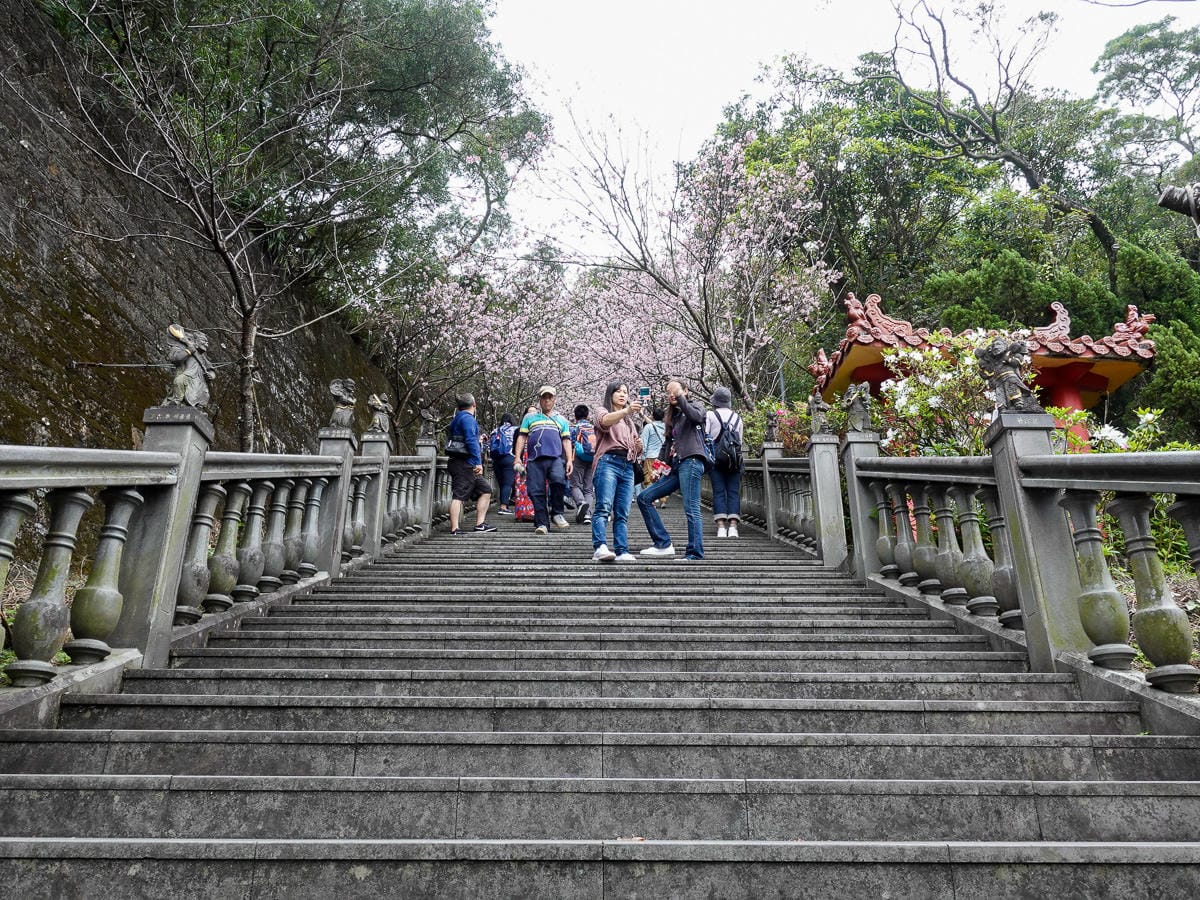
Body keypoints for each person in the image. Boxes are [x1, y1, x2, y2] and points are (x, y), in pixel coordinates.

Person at [636, 379, 707, 561]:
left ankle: (694, 553)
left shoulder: (695, 407)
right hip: (676, 466)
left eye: (675, 391)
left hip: (691, 461)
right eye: (669, 392)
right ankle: (663, 543)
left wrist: (680, 396)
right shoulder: (672, 417)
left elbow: (696, 417)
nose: (672, 395)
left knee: (691, 508)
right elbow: (667, 444)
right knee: (644, 497)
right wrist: (658, 466)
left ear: (685, 391)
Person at [589, 381, 643, 562]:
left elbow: (635, 448)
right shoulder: (602, 411)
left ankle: (622, 549)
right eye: (618, 391)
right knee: (603, 506)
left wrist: (638, 446)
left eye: (626, 392)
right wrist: (626, 410)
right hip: (608, 462)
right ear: (610, 394)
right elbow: (604, 422)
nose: (623, 394)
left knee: (622, 511)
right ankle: (600, 546)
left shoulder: (629, 422)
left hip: (627, 466)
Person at [513, 386, 574, 535]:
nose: (547, 400)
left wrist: (570, 460)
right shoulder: (529, 418)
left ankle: (557, 513)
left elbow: (566, 440)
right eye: (544, 397)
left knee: (559, 482)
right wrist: (517, 458)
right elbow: (522, 437)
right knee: (536, 491)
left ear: (554, 399)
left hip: (555, 459)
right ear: (540, 399)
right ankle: (542, 523)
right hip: (535, 459)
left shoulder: (561, 420)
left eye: (550, 397)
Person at [445, 393, 497, 535]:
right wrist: (478, 463)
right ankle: (455, 528)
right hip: (464, 463)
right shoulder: (468, 419)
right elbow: (470, 441)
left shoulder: (457, 418)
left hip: (461, 462)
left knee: (486, 490)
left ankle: (480, 524)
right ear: (474, 405)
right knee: (459, 495)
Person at [706, 386, 744, 538]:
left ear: (715, 401)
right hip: (734, 459)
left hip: (716, 458)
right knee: (734, 491)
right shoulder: (737, 417)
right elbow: (739, 441)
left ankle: (721, 527)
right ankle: (733, 527)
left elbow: (706, 437)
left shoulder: (710, 415)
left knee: (719, 491)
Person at [568, 404, 597, 523]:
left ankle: (581, 502)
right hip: (592, 458)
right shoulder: (593, 428)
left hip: (579, 457)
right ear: (588, 415)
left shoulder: (575, 428)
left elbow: (569, 442)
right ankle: (588, 515)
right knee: (589, 488)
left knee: (574, 484)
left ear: (575, 416)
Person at [488, 413, 518, 515]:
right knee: (507, 483)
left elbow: (489, 445)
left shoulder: (495, 430)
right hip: (509, 458)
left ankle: (504, 503)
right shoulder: (515, 429)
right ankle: (503, 507)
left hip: (496, 459)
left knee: (502, 484)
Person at [638, 406, 667, 506]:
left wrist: (642, 457)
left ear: (653, 416)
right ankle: (663, 500)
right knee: (662, 478)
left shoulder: (649, 427)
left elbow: (643, 443)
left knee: (650, 477)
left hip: (650, 456)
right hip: (662, 457)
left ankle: (652, 500)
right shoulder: (666, 427)